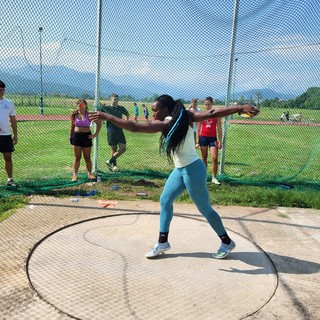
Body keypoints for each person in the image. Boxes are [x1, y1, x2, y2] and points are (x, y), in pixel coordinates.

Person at [89, 94, 259, 259]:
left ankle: (227, 242)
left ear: (165, 109)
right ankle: (163, 242)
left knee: (204, 208)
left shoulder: (183, 117)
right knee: (165, 200)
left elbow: (212, 113)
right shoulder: (170, 121)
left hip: (193, 170)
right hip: (180, 170)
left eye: (155, 110)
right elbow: (136, 126)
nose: (153, 113)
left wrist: (239, 108)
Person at [69, 98, 101, 181]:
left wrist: (95, 134)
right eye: (79, 105)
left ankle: (90, 174)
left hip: (86, 137)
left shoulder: (89, 115)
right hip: (76, 137)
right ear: (77, 106)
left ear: (86, 105)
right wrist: (71, 136)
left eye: (83, 105)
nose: (81, 106)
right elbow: (72, 126)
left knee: (87, 157)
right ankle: (75, 175)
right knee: (77, 157)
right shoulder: (74, 115)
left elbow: (99, 123)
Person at [99, 93, 129, 172]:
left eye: (117, 99)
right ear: (111, 99)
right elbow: (99, 114)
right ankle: (114, 166)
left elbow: (127, 114)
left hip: (119, 130)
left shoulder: (121, 108)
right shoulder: (106, 108)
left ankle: (109, 161)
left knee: (123, 148)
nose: (116, 101)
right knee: (114, 149)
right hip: (111, 130)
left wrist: (125, 122)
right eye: (114, 99)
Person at [196, 97, 222, 185]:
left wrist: (220, 140)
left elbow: (219, 128)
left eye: (208, 104)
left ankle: (214, 178)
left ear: (211, 104)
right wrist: (197, 141)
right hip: (203, 138)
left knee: (214, 158)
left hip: (212, 138)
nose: (207, 106)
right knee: (204, 158)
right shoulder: (202, 114)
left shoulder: (216, 114)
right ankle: (204, 177)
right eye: (205, 104)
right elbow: (198, 128)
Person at [0, 80, 18, 187]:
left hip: (6, 135)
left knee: (8, 158)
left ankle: (10, 179)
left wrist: (15, 134)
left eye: (3, 89)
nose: (1, 92)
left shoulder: (9, 103)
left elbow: (13, 119)